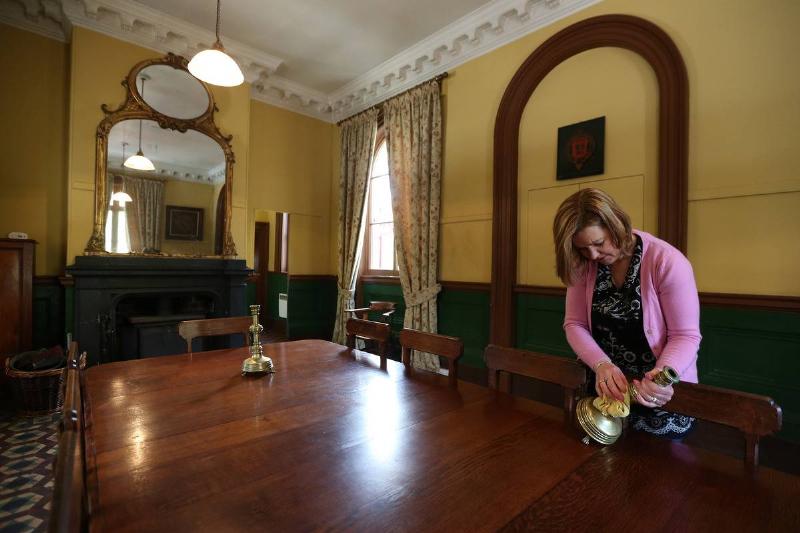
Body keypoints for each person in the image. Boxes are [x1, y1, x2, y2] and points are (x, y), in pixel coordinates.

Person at [553, 188, 701, 438]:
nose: (593, 255)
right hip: (605, 387)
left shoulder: (666, 261)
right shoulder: (584, 262)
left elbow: (686, 335)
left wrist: (661, 376)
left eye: (598, 243)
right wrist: (601, 364)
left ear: (616, 224)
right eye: (582, 248)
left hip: (657, 394)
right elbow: (574, 324)